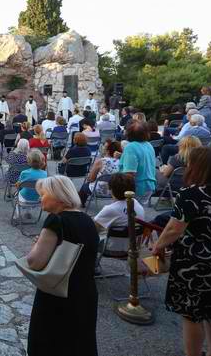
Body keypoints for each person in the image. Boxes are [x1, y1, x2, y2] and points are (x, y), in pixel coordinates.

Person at [152, 147, 211, 356]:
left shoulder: (191, 194)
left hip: (196, 261)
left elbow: (174, 228)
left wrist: (158, 246)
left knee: (192, 314)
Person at [25, 176, 99, 356]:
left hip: (58, 293)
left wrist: (36, 245)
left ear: (57, 196)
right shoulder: (87, 220)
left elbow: (34, 262)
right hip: (85, 292)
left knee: (50, 343)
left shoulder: (56, 220)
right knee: (79, 343)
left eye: (43, 194)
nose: (40, 198)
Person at [93, 173, 145, 252]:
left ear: (112, 190)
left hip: (111, 248)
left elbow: (93, 229)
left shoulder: (110, 209)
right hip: (133, 248)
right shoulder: (137, 205)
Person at [119, 121, 156, 203]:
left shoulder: (130, 147)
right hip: (149, 185)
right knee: (138, 212)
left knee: (130, 213)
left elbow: (130, 173)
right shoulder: (148, 145)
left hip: (137, 188)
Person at [78, 140, 122, 207]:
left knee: (84, 186)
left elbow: (91, 179)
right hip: (116, 191)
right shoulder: (121, 162)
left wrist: (90, 177)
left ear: (107, 151)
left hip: (99, 191)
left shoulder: (101, 161)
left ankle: (81, 203)